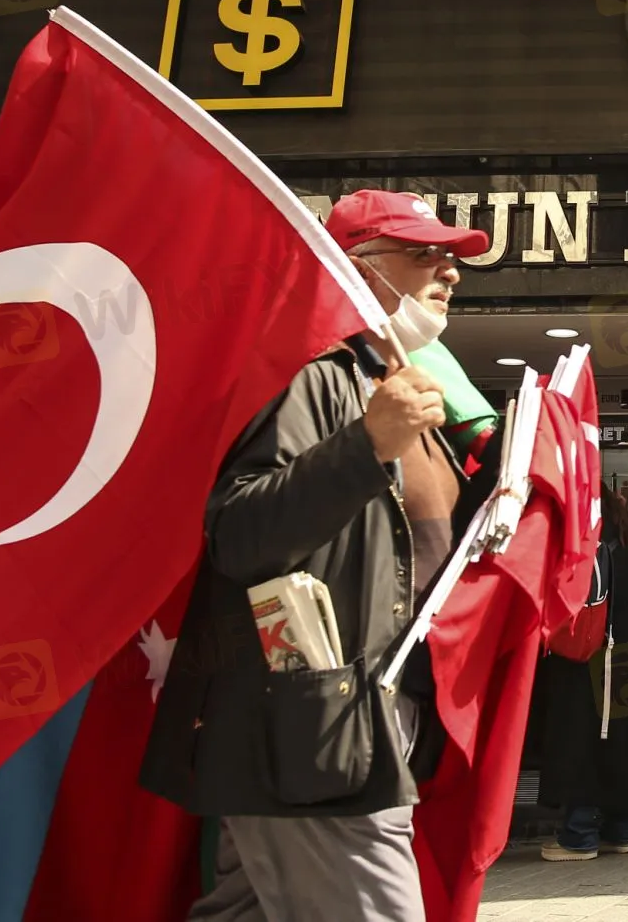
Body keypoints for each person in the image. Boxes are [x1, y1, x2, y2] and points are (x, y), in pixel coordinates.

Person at [142, 190, 493, 922]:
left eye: (450, 257)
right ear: (358, 268)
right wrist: (367, 444)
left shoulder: (388, 379)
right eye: (424, 253)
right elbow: (239, 532)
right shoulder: (312, 373)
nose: (449, 270)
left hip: (344, 722)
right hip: (321, 730)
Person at [536, 487, 628, 860]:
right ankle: (621, 830)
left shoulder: (575, 543)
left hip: (583, 650)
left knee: (579, 741)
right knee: (625, 745)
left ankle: (578, 834)